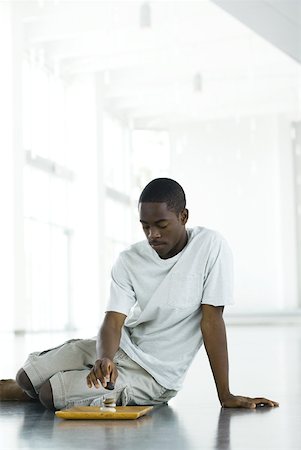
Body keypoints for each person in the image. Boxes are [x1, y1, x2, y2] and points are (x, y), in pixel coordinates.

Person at [1, 178, 278, 411]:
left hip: (155, 377)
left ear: (183, 216)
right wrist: (105, 358)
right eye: (145, 226)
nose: (152, 234)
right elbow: (113, 320)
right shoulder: (129, 259)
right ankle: (38, 384)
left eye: (161, 224)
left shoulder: (211, 247)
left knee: (51, 395)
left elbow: (212, 321)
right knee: (26, 377)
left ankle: (57, 385)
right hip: (122, 348)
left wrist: (225, 395)